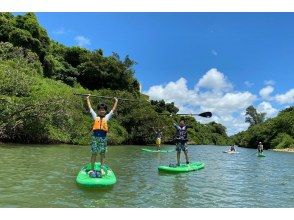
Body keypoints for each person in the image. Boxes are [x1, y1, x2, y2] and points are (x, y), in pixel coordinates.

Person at [85, 95, 118, 178]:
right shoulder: (95, 116)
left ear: (105, 111)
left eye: (103, 110)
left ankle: (101, 168)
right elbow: (90, 108)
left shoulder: (106, 118)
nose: (102, 111)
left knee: (102, 154)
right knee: (94, 153)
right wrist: (88, 99)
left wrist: (116, 101)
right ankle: (92, 169)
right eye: (100, 110)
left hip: (103, 139)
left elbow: (113, 110)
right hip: (95, 138)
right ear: (98, 111)